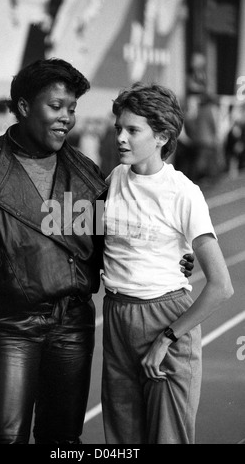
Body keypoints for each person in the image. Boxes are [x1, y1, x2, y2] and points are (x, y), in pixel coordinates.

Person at [0, 59, 193, 445]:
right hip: (11, 326)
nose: (66, 118)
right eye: (56, 107)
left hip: (73, 327)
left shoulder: (85, 173)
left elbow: (105, 240)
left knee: (62, 440)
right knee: (5, 437)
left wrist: (171, 256)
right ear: (25, 107)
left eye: (72, 109)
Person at [100, 83, 234, 444]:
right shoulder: (113, 180)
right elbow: (81, 235)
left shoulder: (183, 193)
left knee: (166, 438)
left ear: (161, 136)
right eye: (118, 129)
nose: (121, 138)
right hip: (117, 318)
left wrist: (166, 340)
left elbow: (222, 286)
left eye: (133, 130)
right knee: (122, 442)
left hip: (165, 322)